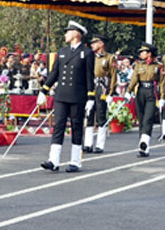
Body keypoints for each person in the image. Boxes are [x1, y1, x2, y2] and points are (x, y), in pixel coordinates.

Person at [39, 21, 94, 173]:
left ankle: (75, 161)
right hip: (61, 95)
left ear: (76, 34)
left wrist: (91, 98)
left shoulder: (87, 53)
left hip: (78, 96)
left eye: (68, 32)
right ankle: (53, 160)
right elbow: (54, 73)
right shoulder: (62, 52)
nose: (65, 35)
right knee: (59, 126)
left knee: (76, 127)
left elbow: (89, 76)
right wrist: (43, 90)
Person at [126, 43, 162, 157]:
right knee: (141, 120)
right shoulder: (138, 65)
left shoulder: (158, 66)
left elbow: (162, 82)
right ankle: (143, 149)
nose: (140, 53)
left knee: (148, 119)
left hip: (152, 93)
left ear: (149, 53)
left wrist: (163, 98)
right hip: (140, 92)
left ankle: (144, 142)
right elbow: (134, 79)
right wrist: (128, 91)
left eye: (143, 52)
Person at [84, 34, 116, 153]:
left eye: (95, 42)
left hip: (102, 87)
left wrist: (111, 93)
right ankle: (88, 143)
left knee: (101, 115)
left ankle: (100, 144)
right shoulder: (90, 56)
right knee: (89, 114)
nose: (92, 45)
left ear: (101, 44)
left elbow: (113, 76)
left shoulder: (109, 58)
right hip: (91, 86)